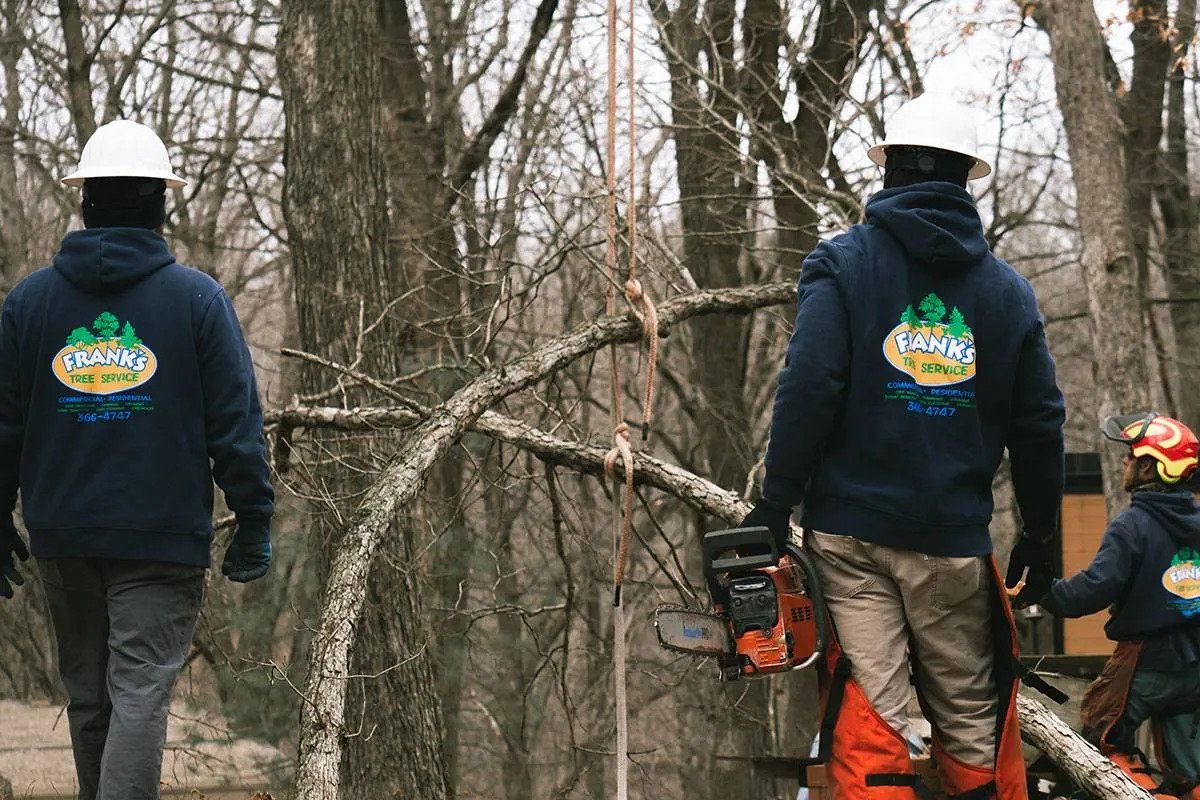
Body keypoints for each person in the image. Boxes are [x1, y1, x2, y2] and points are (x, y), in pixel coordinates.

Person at [740, 93, 1066, 800]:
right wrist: (1041, 536)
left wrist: (775, 501)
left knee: (872, 715)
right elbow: (1040, 425)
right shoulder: (1007, 294)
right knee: (972, 721)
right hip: (950, 542)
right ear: (964, 179)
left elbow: (811, 384)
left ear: (889, 168)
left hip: (849, 538)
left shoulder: (841, 263)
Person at [0, 119, 274, 800]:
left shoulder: (29, 304)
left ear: (85, 200)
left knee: (91, 696)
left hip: (64, 534)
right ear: (160, 203)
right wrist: (254, 515)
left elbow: (4, 426)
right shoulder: (197, 300)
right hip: (159, 537)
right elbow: (236, 423)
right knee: (140, 694)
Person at [1035, 413, 1200, 798]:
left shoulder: (1132, 525)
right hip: (1195, 667)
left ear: (1150, 467)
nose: (1124, 461)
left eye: (1131, 455)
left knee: (1099, 734)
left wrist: (1045, 592)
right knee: (1190, 767)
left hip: (1145, 661)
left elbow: (1094, 589)